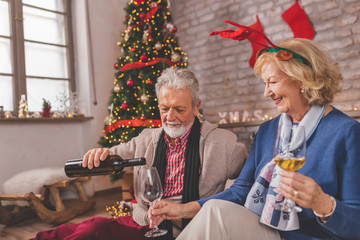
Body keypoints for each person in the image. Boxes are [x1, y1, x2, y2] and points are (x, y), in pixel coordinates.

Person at [150, 38, 360, 240]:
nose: (266, 92)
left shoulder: (346, 133)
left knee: (217, 215)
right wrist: (183, 209)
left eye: (273, 82)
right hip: (266, 229)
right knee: (215, 210)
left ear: (301, 79)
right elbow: (241, 190)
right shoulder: (269, 130)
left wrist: (322, 203)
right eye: (265, 83)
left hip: (309, 236)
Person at [32, 67, 248, 240]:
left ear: (196, 106)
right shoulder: (148, 139)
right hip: (147, 225)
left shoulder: (223, 143)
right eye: (164, 108)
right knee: (90, 230)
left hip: (193, 229)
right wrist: (101, 153)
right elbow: (116, 154)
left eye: (179, 109)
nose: (170, 117)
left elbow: (249, 181)